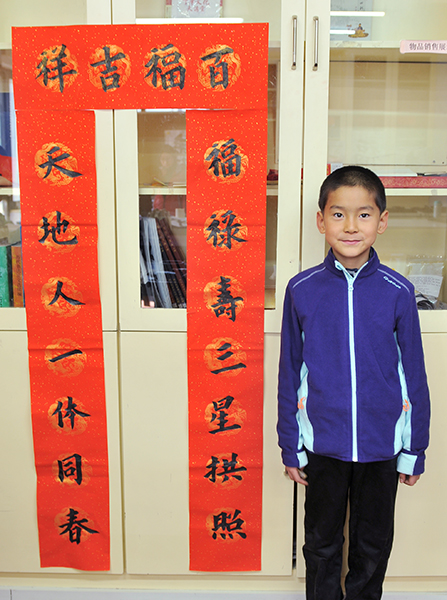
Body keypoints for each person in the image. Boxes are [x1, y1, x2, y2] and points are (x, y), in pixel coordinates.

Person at [277, 165, 430, 600]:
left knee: (373, 545)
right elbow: (290, 371)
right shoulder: (302, 289)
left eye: (364, 214)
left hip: (382, 445)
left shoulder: (398, 291)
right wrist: (290, 444)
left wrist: (414, 448)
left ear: (382, 221)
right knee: (321, 544)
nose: (350, 226)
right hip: (322, 443)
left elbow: (413, 376)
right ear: (321, 220)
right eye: (338, 214)